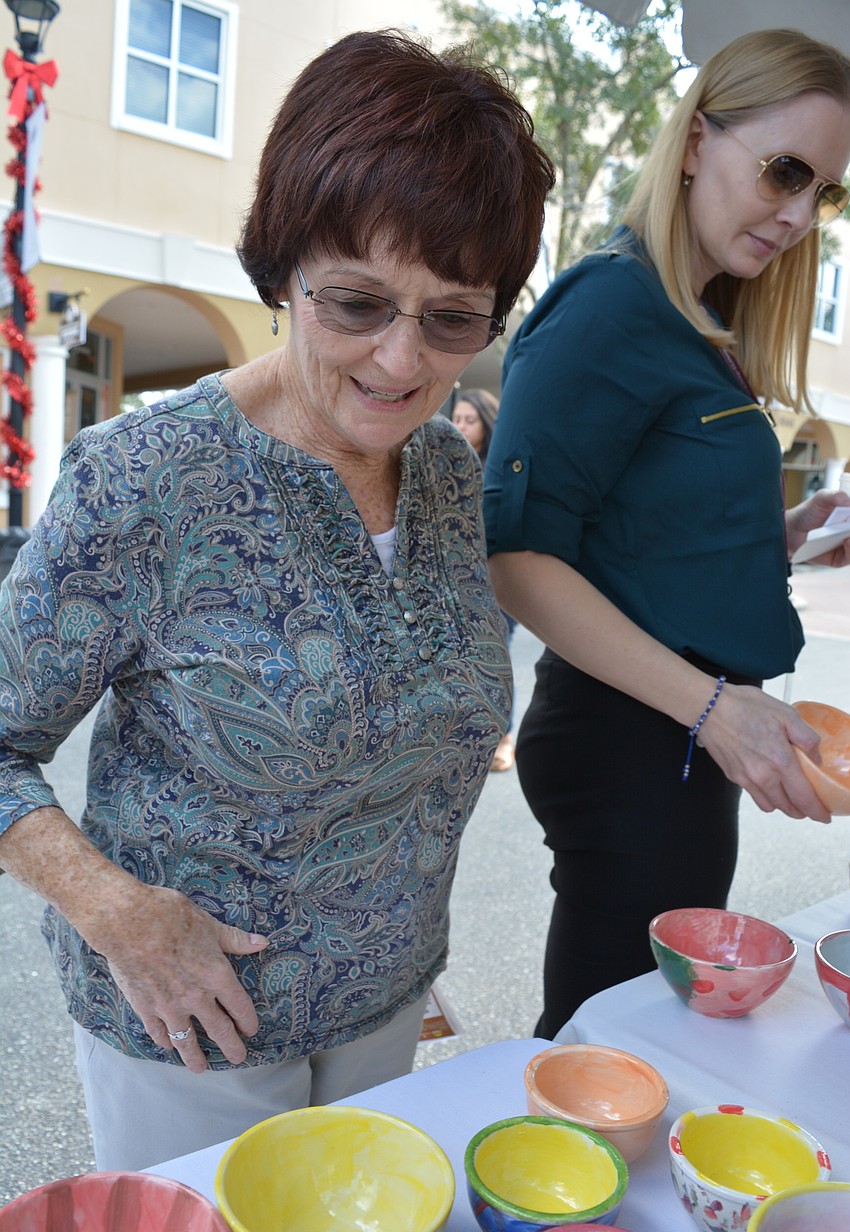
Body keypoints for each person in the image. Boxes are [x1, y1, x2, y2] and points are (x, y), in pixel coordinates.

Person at [0, 30, 555, 1169]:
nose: (400, 363)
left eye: (453, 319)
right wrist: (115, 913)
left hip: (387, 1006)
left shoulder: (446, 471)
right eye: (355, 303)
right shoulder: (143, 478)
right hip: (191, 1028)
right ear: (280, 265)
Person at [483, 28, 850, 1039]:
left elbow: (646, 544)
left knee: (647, 1031)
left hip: (683, 735)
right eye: (783, 171)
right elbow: (515, 557)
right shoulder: (610, 304)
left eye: (823, 191)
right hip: (634, 737)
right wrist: (715, 714)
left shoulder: (691, 318)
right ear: (693, 140)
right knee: (610, 1036)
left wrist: (793, 529)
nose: (796, 214)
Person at [451, 387, 517, 771]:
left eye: (469, 420)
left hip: (496, 578)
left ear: (487, 424)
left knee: (498, 657)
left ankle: (505, 737)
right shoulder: (444, 461)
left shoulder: (498, 466)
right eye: (457, 418)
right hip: (457, 580)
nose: (460, 425)